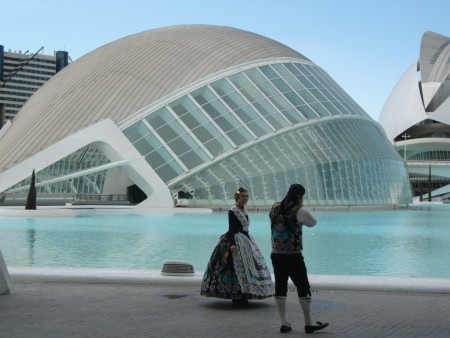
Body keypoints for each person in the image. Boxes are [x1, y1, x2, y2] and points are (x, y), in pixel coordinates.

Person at [270, 184, 329, 333]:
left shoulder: (274, 207)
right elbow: (313, 222)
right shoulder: (299, 210)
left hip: (276, 254)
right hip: (293, 256)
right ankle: (309, 322)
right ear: (299, 196)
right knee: (303, 286)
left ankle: (284, 323)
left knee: (280, 286)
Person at [201, 187, 274, 305]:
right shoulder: (233, 210)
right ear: (237, 197)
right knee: (234, 268)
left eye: (246, 196)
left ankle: (245, 294)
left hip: (246, 240)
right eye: (243, 196)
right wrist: (233, 245)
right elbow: (231, 229)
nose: (245, 198)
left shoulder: (243, 209)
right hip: (235, 240)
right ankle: (236, 295)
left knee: (248, 268)